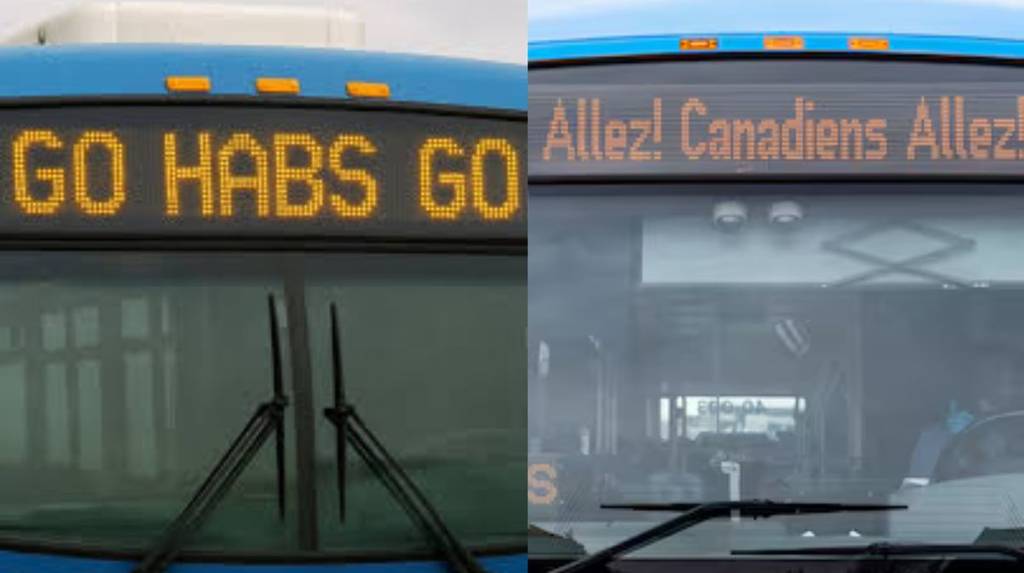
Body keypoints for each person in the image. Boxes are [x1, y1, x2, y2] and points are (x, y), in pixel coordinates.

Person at [904, 349, 1024, 485]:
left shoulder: (1017, 423)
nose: (1004, 378)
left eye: (1009, 372)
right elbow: (915, 491)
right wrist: (945, 437)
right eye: (993, 371)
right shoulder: (937, 435)